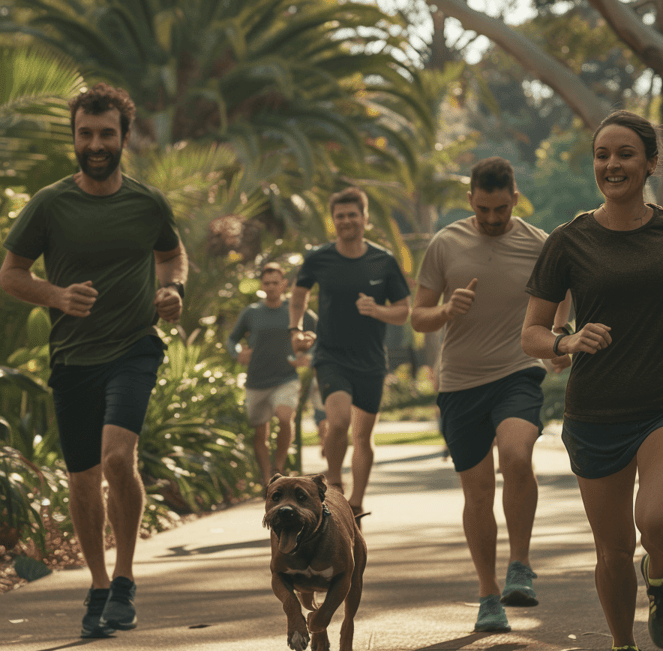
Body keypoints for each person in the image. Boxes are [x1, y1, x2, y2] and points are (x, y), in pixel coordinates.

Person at [522, 110, 663, 651]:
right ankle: (622, 644)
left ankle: (661, 578)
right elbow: (532, 334)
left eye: (625, 154)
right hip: (597, 411)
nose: (612, 165)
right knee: (612, 553)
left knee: (659, 522)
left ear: (651, 163)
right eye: (602, 155)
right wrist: (566, 341)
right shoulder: (568, 241)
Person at [0, 83, 188, 638]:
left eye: (107, 133)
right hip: (73, 358)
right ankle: (100, 583)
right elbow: (11, 274)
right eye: (86, 133)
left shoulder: (146, 202)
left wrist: (173, 288)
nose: (96, 143)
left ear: (125, 137)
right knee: (81, 481)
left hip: (134, 346)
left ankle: (126, 577)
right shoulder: (50, 204)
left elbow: (172, 253)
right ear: (74, 138)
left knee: (115, 459)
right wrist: (56, 296)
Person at [411, 157, 571, 632]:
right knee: (477, 492)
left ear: (514, 199)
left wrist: (558, 334)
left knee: (517, 455)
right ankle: (487, 595)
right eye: (484, 210)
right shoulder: (446, 244)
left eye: (501, 209)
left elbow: (560, 294)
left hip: (516, 371)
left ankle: (519, 564)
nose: (493, 218)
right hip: (459, 383)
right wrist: (445, 310)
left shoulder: (538, 244)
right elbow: (417, 316)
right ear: (471, 202)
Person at [289, 187, 411, 519]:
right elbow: (298, 296)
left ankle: (356, 503)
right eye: (340, 216)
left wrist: (377, 310)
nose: (346, 221)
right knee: (339, 421)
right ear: (333, 221)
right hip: (331, 355)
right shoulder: (319, 258)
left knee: (363, 435)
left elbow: (403, 310)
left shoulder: (383, 261)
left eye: (352, 215)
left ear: (364, 218)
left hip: (371, 359)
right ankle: (335, 486)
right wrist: (295, 330)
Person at [226, 262, 316, 483]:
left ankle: (279, 468)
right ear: (261, 285)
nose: (271, 287)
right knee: (260, 433)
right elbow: (232, 339)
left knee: (285, 417)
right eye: (267, 283)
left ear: (284, 284)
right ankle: (267, 478)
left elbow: (319, 335)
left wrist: (309, 356)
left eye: (276, 282)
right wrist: (238, 353)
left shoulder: (295, 310)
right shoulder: (252, 312)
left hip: (286, 377)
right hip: (256, 380)